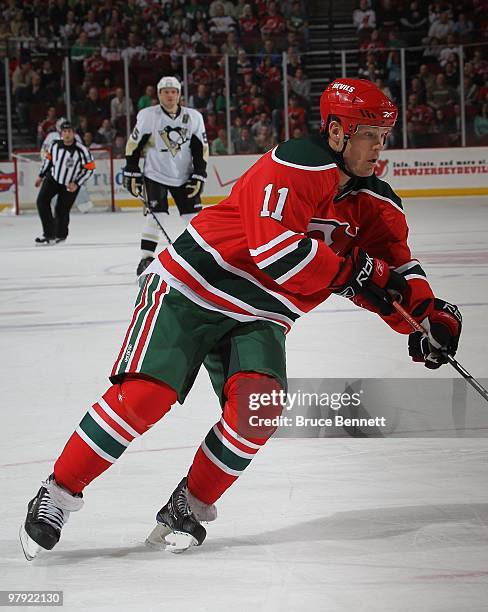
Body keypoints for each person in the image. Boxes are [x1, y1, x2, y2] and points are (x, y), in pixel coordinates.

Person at [20, 79, 462, 559]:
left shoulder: (376, 203)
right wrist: (352, 273)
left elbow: (397, 270)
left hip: (263, 313)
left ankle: (188, 505)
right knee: (147, 395)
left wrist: (428, 319)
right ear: (337, 131)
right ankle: (58, 492)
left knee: (261, 407)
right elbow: (277, 254)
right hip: (192, 285)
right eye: (370, 134)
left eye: (383, 135)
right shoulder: (293, 164)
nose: (379, 147)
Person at [122, 75, 209, 276]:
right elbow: (134, 145)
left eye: (173, 92)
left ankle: (199, 257)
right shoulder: (148, 116)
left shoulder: (194, 117)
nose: (170, 95)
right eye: (165, 92)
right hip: (155, 174)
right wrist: (132, 170)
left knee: (193, 218)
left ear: (179, 94)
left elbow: (200, 148)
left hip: (184, 174)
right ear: (159, 94)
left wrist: (199, 174)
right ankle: (146, 258)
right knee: (157, 215)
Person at [33, 121, 95, 245]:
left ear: (73, 133)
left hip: (70, 184)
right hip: (54, 178)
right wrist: (40, 176)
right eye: (64, 131)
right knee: (41, 202)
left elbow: (90, 168)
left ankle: (60, 235)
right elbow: (48, 162)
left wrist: (77, 183)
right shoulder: (54, 145)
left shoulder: (81, 150)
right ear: (61, 133)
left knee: (61, 209)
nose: (67, 134)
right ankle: (49, 234)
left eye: (69, 131)